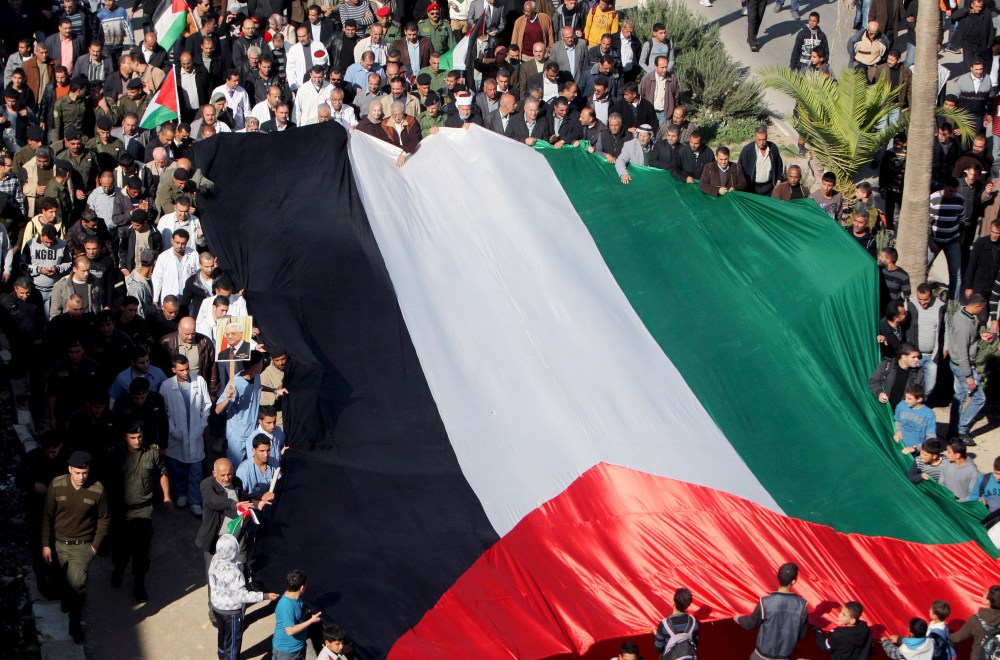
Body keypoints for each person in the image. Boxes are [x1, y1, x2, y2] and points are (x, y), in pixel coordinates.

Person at [40, 450, 110, 643]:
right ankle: (67, 599)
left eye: (85, 473)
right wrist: (46, 544)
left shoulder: (97, 490)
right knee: (61, 581)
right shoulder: (57, 485)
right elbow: (47, 516)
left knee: (78, 585)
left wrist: (95, 546)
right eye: (77, 472)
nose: (81, 477)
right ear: (70, 469)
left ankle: (74, 624)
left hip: (83, 546)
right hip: (59, 544)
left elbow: (104, 518)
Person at [109, 420, 172, 603]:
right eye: (133, 437)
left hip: (144, 510)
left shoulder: (152, 453)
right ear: (125, 437)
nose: (137, 441)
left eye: (139, 437)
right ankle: (119, 569)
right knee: (121, 549)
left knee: (142, 552)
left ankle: (139, 584)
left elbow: (162, 472)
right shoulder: (116, 454)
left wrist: (167, 496)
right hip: (121, 510)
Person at [210, 533, 279, 660]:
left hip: (216, 607)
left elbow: (226, 568)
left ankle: (221, 655)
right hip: (231, 613)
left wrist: (244, 566)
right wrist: (265, 596)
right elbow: (243, 596)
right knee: (233, 642)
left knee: (223, 634)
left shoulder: (215, 559)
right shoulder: (235, 574)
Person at [162, 355, 211, 515]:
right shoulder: (166, 386)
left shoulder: (199, 381)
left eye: (187, 368)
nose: (186, 372)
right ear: (174, 370)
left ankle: (195, 500)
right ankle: (181, 493)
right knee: (178, 468)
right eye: (181, 370)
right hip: (176, 437)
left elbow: (206, 406)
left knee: (196, 470)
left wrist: (201, 425)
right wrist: (173, 430)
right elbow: (164, 413)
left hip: (195, 435)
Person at [734, 562, 809, 660]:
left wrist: (737, 618)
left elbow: (750, 624)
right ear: (793, 581)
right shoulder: (802, 605)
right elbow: (802, 635)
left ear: (778, 578)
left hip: (761, 657)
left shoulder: (765, 602)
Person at [947, 294, 989, 444]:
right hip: (963, 366)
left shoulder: (962, 314)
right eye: (982, 308)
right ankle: (961, 430)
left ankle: (952, 431)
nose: (982, 311)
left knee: (959, 396)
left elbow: (964, 339)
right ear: (977, 306)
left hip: (956, 363)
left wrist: (978, 336)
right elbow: (963, 352)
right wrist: (969, 375)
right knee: (979, 398)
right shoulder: (964, 324)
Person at [217, 352, 264, 466]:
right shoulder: (235, 384)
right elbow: (218, 409)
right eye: (262, 363)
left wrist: (275, 390)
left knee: (253, 465)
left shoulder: (256, 377)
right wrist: (227, 399)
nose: (263, 364)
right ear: (255, 366)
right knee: (236, 467)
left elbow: (258, 388)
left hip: (253, 432)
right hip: (238, 436)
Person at [273, 569, 324, 660]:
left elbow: (297, 612)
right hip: (287, 652)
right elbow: (290, 631)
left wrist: (305, 612)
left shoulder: (297, 598)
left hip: (299, 646)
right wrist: (311, 621)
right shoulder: (286, 605)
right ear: (302, 588)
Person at [905, 284, 945, 395]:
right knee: (911, 386)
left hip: (931, 356)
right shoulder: (910, 304)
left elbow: (944, 330)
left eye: (925, 300)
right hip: (914, 354)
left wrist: (945, 348)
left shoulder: (940, 307)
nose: (922, 303)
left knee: (929, 387)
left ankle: (922, 406)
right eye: (920, 299)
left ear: (931, 296)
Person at [930, 178, 966, 300]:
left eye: (954, 191)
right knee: (925, 266)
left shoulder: (960, 199)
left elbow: (961, 220)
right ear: (944, 186)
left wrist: (962, 236)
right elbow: (927, 222)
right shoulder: (934, 198)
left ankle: (952, 302)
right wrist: (930, 241)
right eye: (950, 191)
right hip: (935, 240)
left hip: (952, 240)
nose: (952, 194)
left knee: (956, 274)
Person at [869, 342, 924, 410]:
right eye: (913, 357)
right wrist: (879, 392)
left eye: (918, 357)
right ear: (904, 357)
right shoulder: (887, 365)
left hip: (903, 412)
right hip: (884, 409)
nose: (917, 360)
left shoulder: (918, 373)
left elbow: (919, 393)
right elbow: (874, 381)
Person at [653, 587, 699, 660]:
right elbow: (696, 642)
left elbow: (658, 648)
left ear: (673, 602)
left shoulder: (664, 625)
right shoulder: (694, 622)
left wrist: (657, 634)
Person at [951, 586, 1000, 651]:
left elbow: (958, 637)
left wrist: (941, 632)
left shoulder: (976, 619)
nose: (983, 594)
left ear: (988, 601)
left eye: (985, 593)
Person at [738, 126, 784, 196]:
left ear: (767, 138)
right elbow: (740, 169)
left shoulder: (773, 148)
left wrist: (778, 181)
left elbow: (779, 166)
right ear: (755, 138)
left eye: (764, 139)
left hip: (770, 188)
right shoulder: (747, 150)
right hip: (752, 189)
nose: (762, 142)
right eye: (759, 140)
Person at [894, 385, 937, 452]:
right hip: (900, 446)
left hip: (916, 452)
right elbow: (897, 420)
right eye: (905, 398)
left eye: (909, 399)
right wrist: (898, 431)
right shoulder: (901, 406)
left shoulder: (929, 414)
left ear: (919, 399)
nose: (906, 401)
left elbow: (931, 438)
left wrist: (915, 448)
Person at [236, 434, 280, 499]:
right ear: (254, 450)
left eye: (268, 451)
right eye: (262, 451)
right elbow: (240, 494)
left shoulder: (274, 462)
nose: (265, 454)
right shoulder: (243, 469)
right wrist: (261, 498)